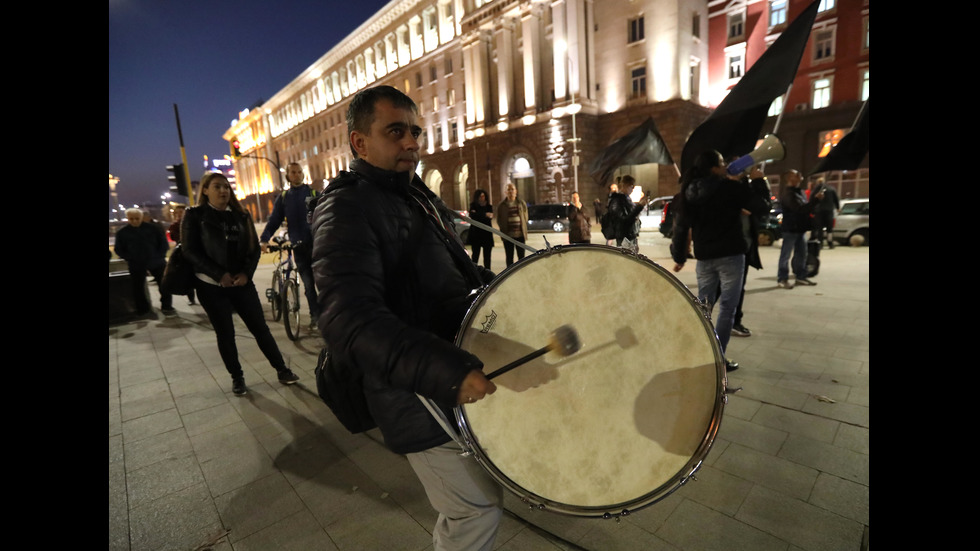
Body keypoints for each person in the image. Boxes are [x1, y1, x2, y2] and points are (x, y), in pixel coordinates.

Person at [310, 85, 502, 551]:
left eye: (415, 131)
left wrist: (515, 288)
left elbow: (454, 273)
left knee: (471, 507)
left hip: (444, 375)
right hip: (414, 390)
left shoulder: (413, 196)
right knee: (475, 509)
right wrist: (450, 372)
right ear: (360, 142)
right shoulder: (346, 207)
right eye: (395, 131)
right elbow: (349, 321)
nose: (411, 143)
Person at [181, 172, 300, 396]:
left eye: (226, 187)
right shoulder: (195, 215)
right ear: (205, 190)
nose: (223, 191)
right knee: (225, 334)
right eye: (217, 187)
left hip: (241, 283)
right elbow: (190, 251)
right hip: (211, 286)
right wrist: (219, 275)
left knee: (260, 329)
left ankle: (282, 369)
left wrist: (246, 274)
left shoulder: (240, 215)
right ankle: (237, 377)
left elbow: (253, 250)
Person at [670, 151, 768, 372]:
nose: (726, 167)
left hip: (705, 257)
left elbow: (681, 226)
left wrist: (679, 256)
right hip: (731, 256)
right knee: (727, 309)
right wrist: (758, 181)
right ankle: (717, 359)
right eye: (723, 163)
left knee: (704, 307)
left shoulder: (689, 190)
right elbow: (762, 206)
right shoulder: (730, 188)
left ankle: (698, 352)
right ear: (714, 168)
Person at [260, 162, 320, 332]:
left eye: (299, 172)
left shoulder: (314, 193)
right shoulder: (284, 198)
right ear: (288, 175)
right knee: (308, 285)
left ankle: (330, 316)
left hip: (318, 246)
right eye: (293, 172)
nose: (297, 175)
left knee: (325, 284)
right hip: (299, 248)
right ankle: (316, 317)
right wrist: (264, 239)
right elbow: (274, 221)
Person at [723, 167, 772, 338]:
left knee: (733, 290)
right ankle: (721, 327)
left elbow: (762, 206)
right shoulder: (724, 188)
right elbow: (763, 205)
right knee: (725, 291)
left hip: (740, 247)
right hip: (730, 248)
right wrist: (759, 181)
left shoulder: (743, 188)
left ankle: (732, 323)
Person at [114, 208, 175, 316]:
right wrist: (130, 257)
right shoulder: (122, 233)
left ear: (141, 218)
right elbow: (118, 249)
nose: (134, 221)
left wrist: (159, 256)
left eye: (137, 218)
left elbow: (163, 244)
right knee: (138, 288)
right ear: (127, 219)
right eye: (131, 219)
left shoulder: (153, 229)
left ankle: (167, 306)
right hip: (136, 263)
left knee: (164, 284)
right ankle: (143, 309)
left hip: (156, 261)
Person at [777, 170, 822, 288]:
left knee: (802, 254)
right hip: (790, 228)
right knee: (785, 255)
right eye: (797, 175)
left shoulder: (799, 192)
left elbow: (805, 209)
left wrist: (814, 203)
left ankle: (800, 277)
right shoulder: (788, 194)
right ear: (789, 178)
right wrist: (815, 200)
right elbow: (799, 209)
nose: (800, 177)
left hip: (800, 228)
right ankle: (782, 278)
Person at [606, 175, 647, 251]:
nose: (632, 188)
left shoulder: (627, 199)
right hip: (624, 238)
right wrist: (639, 207)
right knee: (626, 261)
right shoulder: (617, 201)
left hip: (631, 236)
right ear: (624, 185)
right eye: (631, 186)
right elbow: (624, 220)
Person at [496, 182, 528, 267]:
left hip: (520, 235)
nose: (511, 191)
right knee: (509, 257)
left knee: (522, 258)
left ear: (516, 191)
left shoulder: (521, 203)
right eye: (508, 190)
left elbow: (525, 217)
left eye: (512, 189)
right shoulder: (501, 205)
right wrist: (503, 229)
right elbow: (499, 219)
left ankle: (522, 273)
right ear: (505, 192)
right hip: (508, 235)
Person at [168, 205, 195, 305]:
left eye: (181, 211)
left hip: (196, 252)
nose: (179, 214)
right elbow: (175, 238)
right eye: (177, 212)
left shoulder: (194, 222)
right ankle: (191, 297)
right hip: (183, 254)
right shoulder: (174, 226)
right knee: (187, 275)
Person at [468, 189, 494, 269]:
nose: (482, 198)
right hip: (476, 235)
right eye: (480, 196)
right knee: (475, 256)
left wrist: (478, 215)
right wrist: (484, 215)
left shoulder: (489, 206)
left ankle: (488, 273)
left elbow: (490, 217)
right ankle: (474, 274)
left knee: (487, 258)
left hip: (487, 234)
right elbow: (472, 216)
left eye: (483, 196)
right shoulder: (473, 206)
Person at [810, 179, 840, 249]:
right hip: (829, 210)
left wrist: (812, 211)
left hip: (819, 211)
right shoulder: (831, 189)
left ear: (817, 182)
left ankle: (820, 243)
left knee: (819, 228)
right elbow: (836, 199)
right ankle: (830, 243)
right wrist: (837, 207)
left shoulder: (816, 190)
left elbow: (811, 200)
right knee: (829, 229)